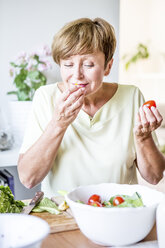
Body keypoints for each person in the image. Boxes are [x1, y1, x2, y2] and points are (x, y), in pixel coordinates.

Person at [18, 17, 165, 197]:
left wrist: (143, 138)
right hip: (63, 214)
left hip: (118, 209)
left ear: (107, 67)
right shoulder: (46, 97)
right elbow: (28, 178)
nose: (77, 75)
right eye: (68, 64)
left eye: (88, 64)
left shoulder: (131, 96)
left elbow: (154, 176)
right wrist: (58, 124)